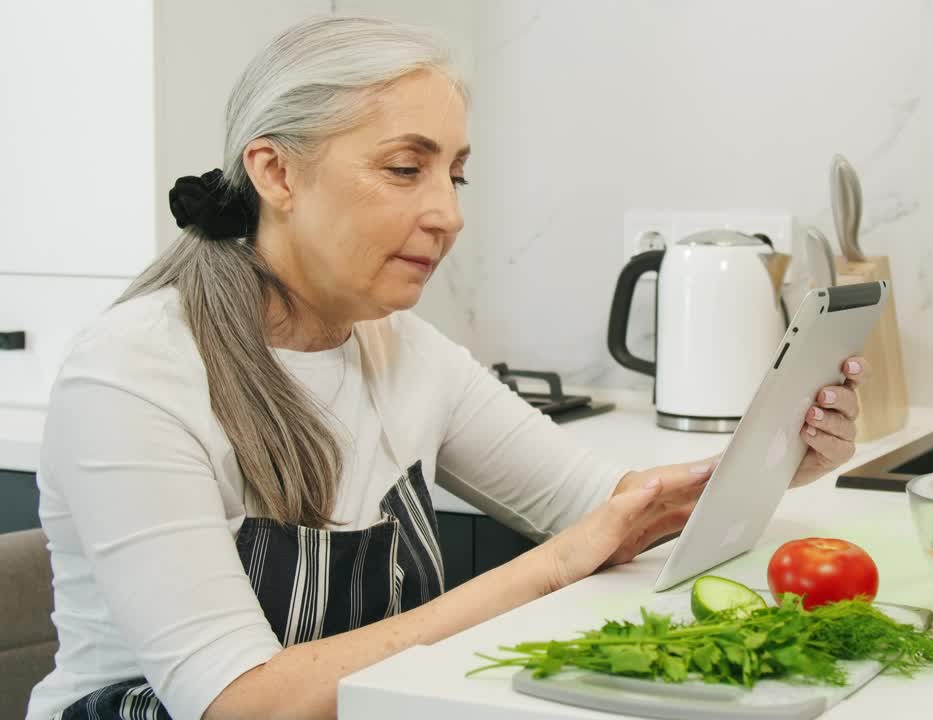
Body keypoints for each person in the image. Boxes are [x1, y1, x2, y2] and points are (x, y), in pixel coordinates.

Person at [26, 16, 866, 720]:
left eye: (456, 175)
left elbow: (604, 507)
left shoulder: (402, 349)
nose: (449, 214)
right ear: (275, 171)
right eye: (405, 168)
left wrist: (775, 455)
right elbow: (242, 704)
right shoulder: (135, 375)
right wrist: (552, 565)